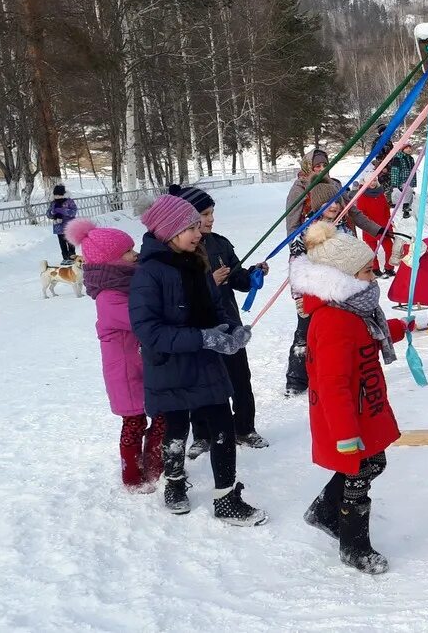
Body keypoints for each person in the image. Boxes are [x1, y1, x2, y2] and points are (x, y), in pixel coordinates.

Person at [128, 195, 265, 525]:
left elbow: (216, 307)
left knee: (221, 425)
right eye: (190, 227)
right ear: (169, 231)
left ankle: (226, 498)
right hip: (170, 367)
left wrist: (231, 332)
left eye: (196, 225)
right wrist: (202, 337)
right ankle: (174, 483)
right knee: (176, 427)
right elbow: (148, 331)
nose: (198, 232)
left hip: (205, 363)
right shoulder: (149, 274)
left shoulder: (197, 260)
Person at [292, 221, 409, 574]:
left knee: (373, 463)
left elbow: (365, 335)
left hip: (364, 407)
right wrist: (344, 434)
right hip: (346, 416)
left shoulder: (352, 310)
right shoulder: (332, 321)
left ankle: (325, 510)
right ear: (344, 277)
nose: (374, 277)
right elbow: (332, 383)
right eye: (367, 271)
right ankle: (354, 546)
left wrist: (400, 329)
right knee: (361, 468)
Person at [169, 185, 271, 457]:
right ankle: (202, 434)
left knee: (240, 378)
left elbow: (238, 280)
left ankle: (244, 428)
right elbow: (177, 293)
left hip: (229, 326)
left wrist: (253, 274)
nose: (210, 219)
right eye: (204, 214)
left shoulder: (220, 243)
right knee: (201, 383)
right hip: (200, 330)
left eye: (212, 212)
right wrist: (208, 283)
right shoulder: (179, 251)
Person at [67, 218, 164, 493]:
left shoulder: (127, 284)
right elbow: (139, 321)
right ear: (112, 261)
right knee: (134, 421)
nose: (135, 255)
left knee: (160, 415)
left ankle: (156, 466)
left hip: (141, 365)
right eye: (128, 252)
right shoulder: (108, 296)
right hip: (125, 372)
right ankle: (133, 476)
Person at [285, 185, 349, 398]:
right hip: (311, 292)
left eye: (337, 201)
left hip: (338, 291)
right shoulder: (305, 230)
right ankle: (296, 380)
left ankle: (331, 374)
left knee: (333, 333)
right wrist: (298, 296)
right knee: (305, 333)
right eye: (328, 202)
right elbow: (296, 263)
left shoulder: (343, 227)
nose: (334, 206)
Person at [285, 149, 384, 237]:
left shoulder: (335, 184)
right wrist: (297, 253)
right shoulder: (300, 189)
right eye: (317, 166)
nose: (322, 169)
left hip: (343, 240)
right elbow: (292, 225)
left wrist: (377, 230)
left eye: (325, 165)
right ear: (309, 167)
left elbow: (352, 212)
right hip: (315, 246)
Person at [358, 158, 394, 277]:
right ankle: (375, 268)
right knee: (372, 250)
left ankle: (389, 268)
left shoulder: (380, 193)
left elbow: (385, 209)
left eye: (374, 180)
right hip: (370, 228)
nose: (372, 183)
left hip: (384, 226)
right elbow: (361, 213)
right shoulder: (362, 197)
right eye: (370, 181)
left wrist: (389, 221)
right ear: (365, 182)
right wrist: (369, 225)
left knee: (390, 248)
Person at [47, 184, 78, 264]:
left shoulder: (69, 201)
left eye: (59, 195)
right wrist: (52, 212)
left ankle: (72, 257)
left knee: (70, 242)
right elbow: (48, 214)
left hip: (69, 226)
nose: (57, 197)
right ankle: (65, 258)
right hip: (59, 227)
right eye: (56, 195)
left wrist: (62, 210)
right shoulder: (53, 203)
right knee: (62, 244)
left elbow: (73, 212)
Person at [389, 144, 418, 212]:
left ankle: (406, 210)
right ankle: (405, 207)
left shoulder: (411, 158)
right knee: (408, 191)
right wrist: (395, 184)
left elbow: (413, 171)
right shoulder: (398, 158)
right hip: (401, 180)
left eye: (410, 148)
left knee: (409, 194)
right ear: (403, 149)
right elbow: (395, 171)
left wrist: (413, 182)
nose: (409, 149)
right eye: (406, 148)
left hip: (409, 180)